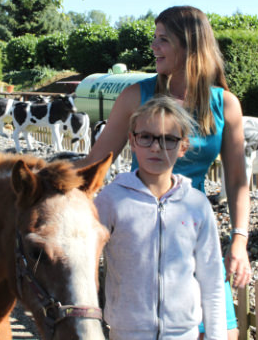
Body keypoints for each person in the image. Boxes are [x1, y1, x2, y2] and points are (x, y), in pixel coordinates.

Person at [78, 6, 251, 338]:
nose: (154, 47)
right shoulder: (135, 95)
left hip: (193, 227)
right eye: (154, 39)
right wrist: (43, 178)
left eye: (163, 40)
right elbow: (94, 165)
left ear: (190, 45)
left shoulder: (225, 104)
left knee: (222, 332)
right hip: (142, 228)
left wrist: (239, 241)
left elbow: (238, 181)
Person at [95, 96, 226, 339]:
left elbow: (212, 279)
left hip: (183, 333)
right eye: (146, 137)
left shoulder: (196, 205)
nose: (156, 147)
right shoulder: (110, 201)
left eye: (168, 139)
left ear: (183, 146)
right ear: (132, 142)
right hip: (127, 333)